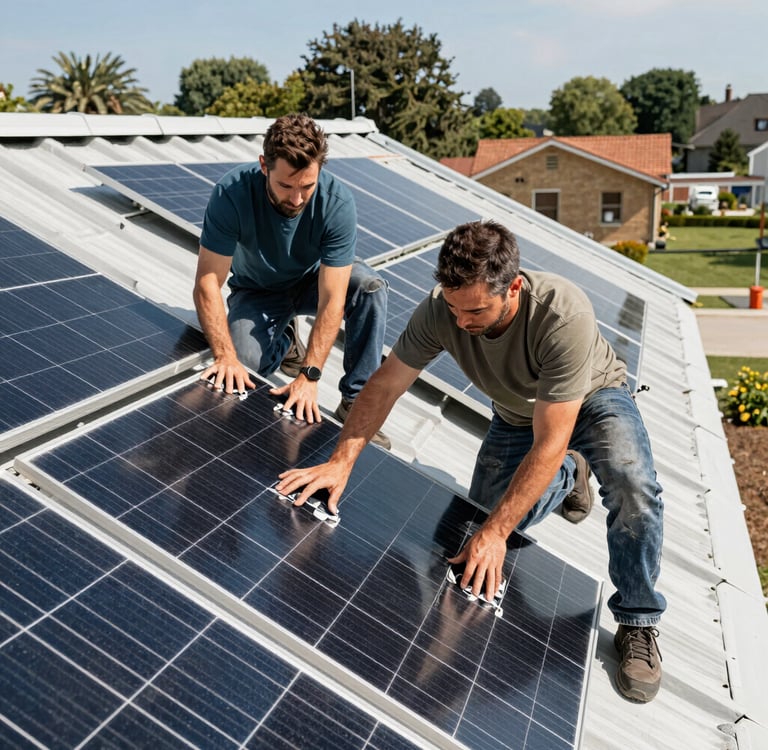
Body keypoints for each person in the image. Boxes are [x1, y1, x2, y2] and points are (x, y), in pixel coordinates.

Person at [277, 219, 666, 702]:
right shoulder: (444, 310)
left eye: (477, 310)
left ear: (514, 288)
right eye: (455, 309)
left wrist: (498, 533)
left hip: (590, 399)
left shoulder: (562, 315)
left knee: (632, 487)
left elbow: (550, 439)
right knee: (475, 524)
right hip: (517, 414)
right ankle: (570, 473)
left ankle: (638, 620)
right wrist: (341, 461)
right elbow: (385, 384)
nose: (462, 323)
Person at [193, 113, 390, 448]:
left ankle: (355, 403)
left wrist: (309, 376)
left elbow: (332, 299)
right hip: (258, 290)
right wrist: (225, 355)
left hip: (314, 279)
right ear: (263, 166)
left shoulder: (337, 203)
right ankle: (284, 339)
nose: (297, 199)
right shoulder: (232, 193)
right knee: (242, 369)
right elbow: (208, 282)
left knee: (370, 288)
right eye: (286, 185)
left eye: (307, 186)